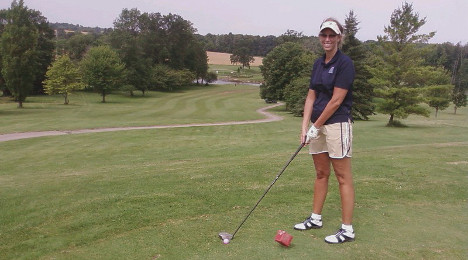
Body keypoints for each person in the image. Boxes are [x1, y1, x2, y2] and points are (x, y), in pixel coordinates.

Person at [293, 18, 356, 244]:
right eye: (324, 35)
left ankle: (347, 229)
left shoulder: (345, 63)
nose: (327, 39)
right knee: (321, 174)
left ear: (339, 37)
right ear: (320, 37)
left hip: (337, 124)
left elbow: (336, 101)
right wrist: (305, 128)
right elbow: (312, 96)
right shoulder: (318, 64)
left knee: (342, 176)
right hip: (317, 126)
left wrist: (316, 126)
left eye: (332, 35)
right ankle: (316, 218)